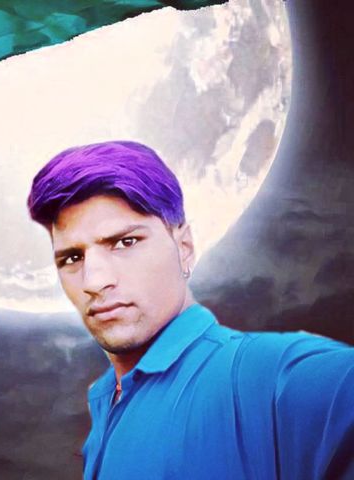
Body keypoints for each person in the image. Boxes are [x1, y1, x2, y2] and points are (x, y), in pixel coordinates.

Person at [27, 140, 354, 479]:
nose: (94, 280)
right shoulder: (106, 401)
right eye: (72, 258)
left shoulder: (265, 378)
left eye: (125, 242)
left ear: (184, 248)